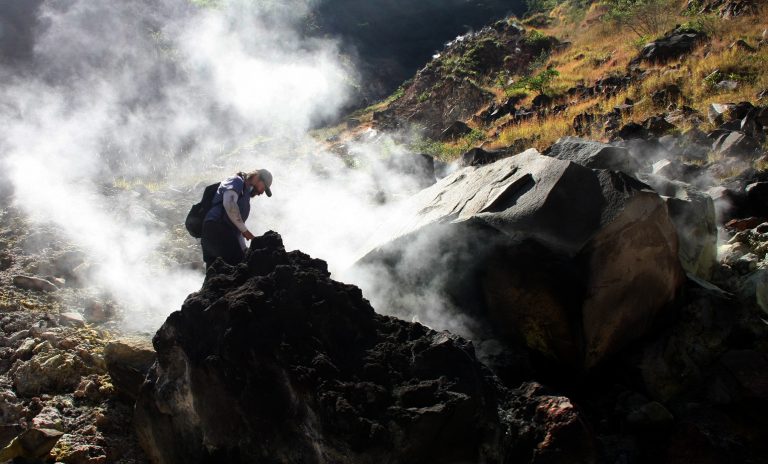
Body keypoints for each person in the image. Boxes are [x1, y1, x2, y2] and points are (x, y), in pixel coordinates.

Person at [201, 169, 272, 268]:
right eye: (263, 188)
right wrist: (246, 232)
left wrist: (245, 250)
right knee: (237, 265)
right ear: (257, 177)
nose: (261, 192)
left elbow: (237, 229)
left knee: (217, 269)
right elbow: (229, 204)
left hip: (223, 232)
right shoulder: (237, 181)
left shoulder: (245, 194)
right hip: (216, 228)